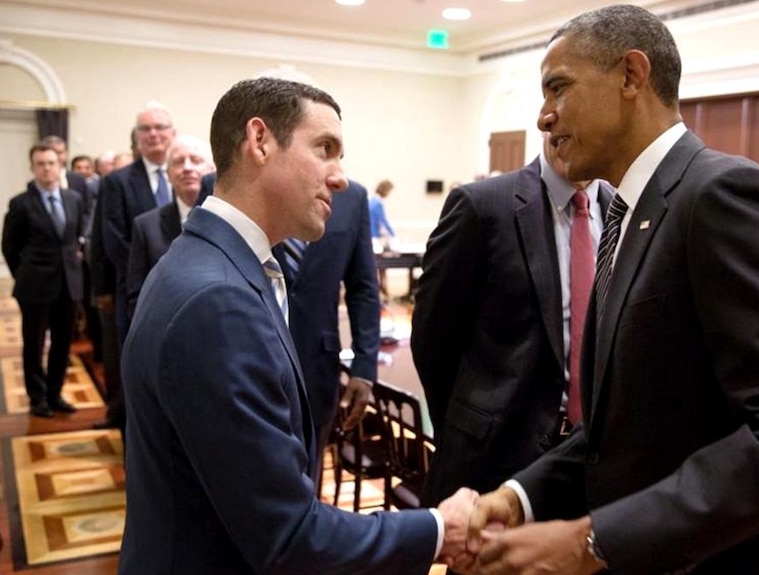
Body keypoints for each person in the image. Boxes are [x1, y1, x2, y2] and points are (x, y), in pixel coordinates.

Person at [463, 5, 759, 575]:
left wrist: (591, 540)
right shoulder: (631, 213)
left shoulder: (726, 196)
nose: (543, 118)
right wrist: (519, 498)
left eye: (558, 89)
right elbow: (625, 433)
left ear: (631, 76)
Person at [119, 77, 476, 575]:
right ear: (259, 141)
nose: (340, 177)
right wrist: (441, 527)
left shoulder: (210, 260)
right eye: (325, 149)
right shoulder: (219, 300)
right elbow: (288, 536)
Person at [412, 133, 613, 508]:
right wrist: (467, 429)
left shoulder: (623, 210)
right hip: (494, 462)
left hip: (594, 464)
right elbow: (431, 339)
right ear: (549, 123)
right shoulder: (482, 206)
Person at [273, 178, 380, 481]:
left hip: (317, 365)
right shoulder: (239, 184)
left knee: (309, 477)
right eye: (323, 146)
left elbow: (363, 288)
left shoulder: (352, 197)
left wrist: (364, 368)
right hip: (249, 361)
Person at [95, 103, 176, 430]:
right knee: (134, 362)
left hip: (187, 289)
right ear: (137, 138)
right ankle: (132, 430)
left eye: (160, 127)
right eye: (146, 129)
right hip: (138, 287)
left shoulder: (189, 175)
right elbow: (112, 238)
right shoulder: (117, 182)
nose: (153, 134)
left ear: (172, 133)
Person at [2, 144, 84, 418]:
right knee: (34, 343)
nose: (47, 168)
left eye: (51, 163)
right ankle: (37, 397)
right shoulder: (21, 203)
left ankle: (55, 393)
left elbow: (74, 239)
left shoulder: (73, 198)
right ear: (32, 168)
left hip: (68, 285)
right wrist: (24, 274)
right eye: (40, 163)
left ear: (59, 165)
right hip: (35, 287)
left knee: (62, 343)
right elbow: (9, 247)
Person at [126, 135, 214, 317]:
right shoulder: (146, 226)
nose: (188, 168)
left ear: (213, 170)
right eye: (179, 162)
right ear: (168, 174)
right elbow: (137, 295)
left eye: (196, 161)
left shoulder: (231, 221)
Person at [369, 179, 395, 296]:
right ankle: (381, 288)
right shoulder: (378, 203)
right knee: (381, 264)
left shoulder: (370, 200)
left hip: (371, 235)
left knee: (377, 265)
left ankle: (381, 287)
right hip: (374, 238)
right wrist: (393, 234)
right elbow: (382, 221)